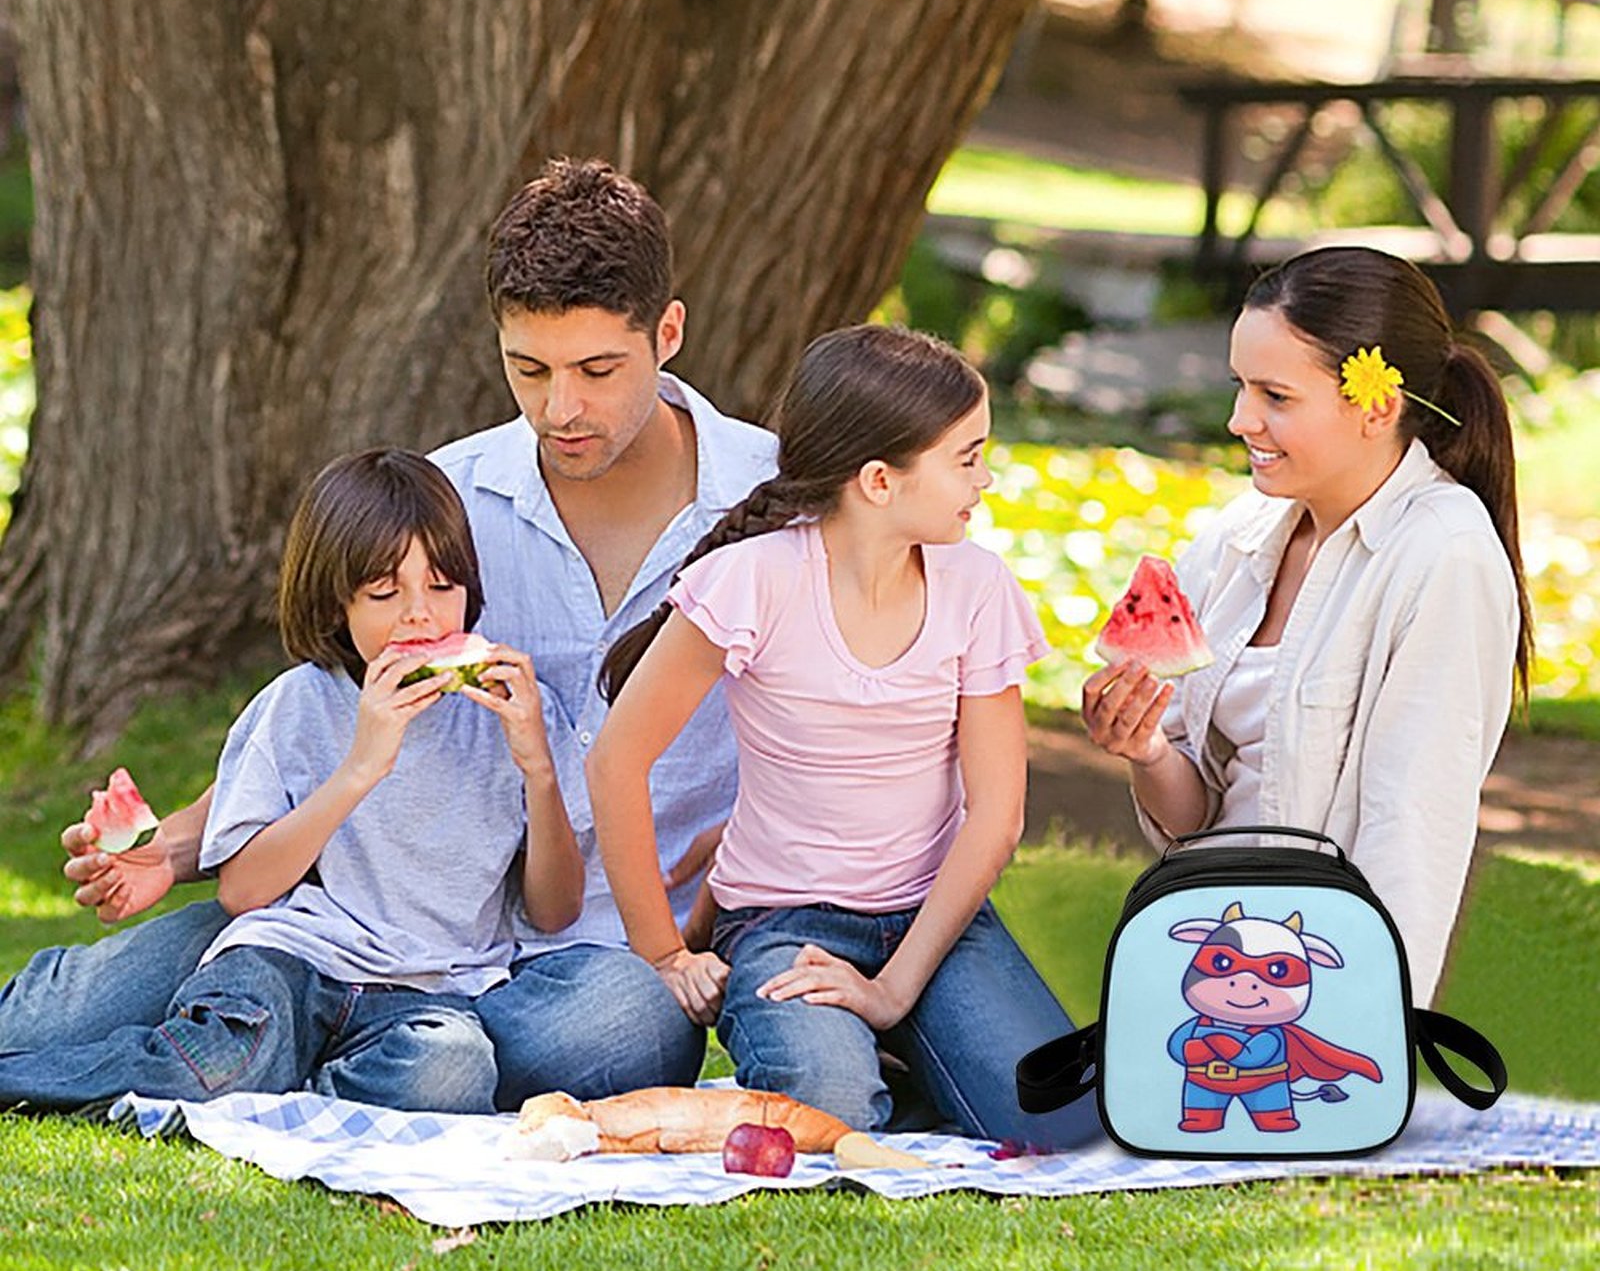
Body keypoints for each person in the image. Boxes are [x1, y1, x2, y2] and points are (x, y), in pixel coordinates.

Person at [9, 158, 777, 1108]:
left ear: (668, 334)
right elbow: (327, 709)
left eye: (597, 371)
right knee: (64, 1015)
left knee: (625, 1036)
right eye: (528, 370)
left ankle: (323, 1050)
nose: (559, 409)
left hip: (582, 954)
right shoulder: (449, 500)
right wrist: (168, 851)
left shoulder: (772, 508)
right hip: (353, 907)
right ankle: (284, 1030)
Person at [588, 325, 1100, 1148]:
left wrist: (894, 991)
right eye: (966, 458)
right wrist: (665, 953)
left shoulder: (978, 588)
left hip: (935, 916)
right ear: (878, 481)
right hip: (786, 924)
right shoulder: (751, 581)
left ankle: (900, 1041)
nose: (988, 477)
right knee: (830, 1111)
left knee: (1058, 1128)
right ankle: (872, 1060)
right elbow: (616, 760)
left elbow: (996, 815)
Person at [0, 449, 583, 1112]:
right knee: (216, 1065)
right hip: (290, 963)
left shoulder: (514, 719)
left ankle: (296, 1096)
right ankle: (30, 1078)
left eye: (443, 587)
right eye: (386, 593)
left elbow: (554, 910)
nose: (421, 616)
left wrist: (537, 768)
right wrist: (361, 767)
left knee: (452, 1073)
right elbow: (244, 890)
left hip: (430, 993)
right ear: (337, 606)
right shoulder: (299, 705)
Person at [1081, 247, 1529, 1003]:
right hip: (1208, 956)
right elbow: (1196, 821)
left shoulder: (1444, 555)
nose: (1238, 419)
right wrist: (1147, 748)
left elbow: (1409, 830)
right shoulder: (1236, 536)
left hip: (1314, 982)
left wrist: (1366, 1036)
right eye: (1239, 386)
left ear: (1376, 406)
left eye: (1275, 396)